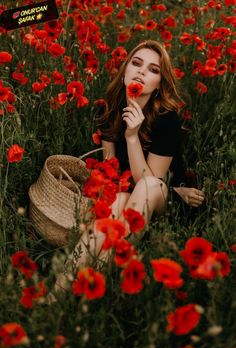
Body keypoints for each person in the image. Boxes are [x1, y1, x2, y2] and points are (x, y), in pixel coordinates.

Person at [54, 40, 205, 292]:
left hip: (162, 201)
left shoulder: (167, 119)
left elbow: (150, 182)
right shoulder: (110, 112)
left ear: (159, 85)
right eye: (136, 63)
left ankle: (94, 281)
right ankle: (61, 290)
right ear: (125, 71)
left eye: (153, 70)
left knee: (145, 186)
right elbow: (110, 174)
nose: (141, 72)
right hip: (131, 195)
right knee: (115, 202)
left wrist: (132, 136)